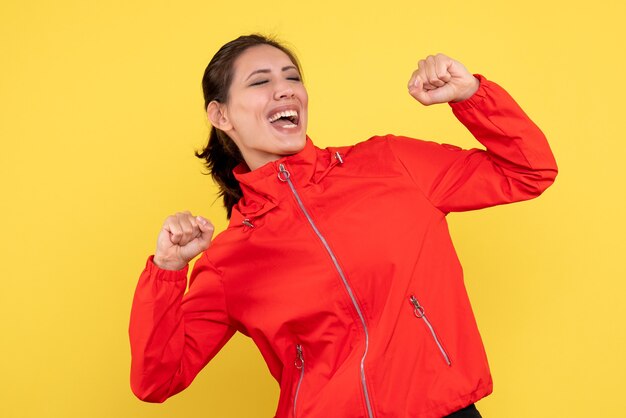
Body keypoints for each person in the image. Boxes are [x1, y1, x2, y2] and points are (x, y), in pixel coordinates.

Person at [129, 34, 558, 418]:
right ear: (221, 115)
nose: (284, 90)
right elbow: (157, 381)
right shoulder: (230, 259)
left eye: (292, 78)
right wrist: (167, 270)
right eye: (260, 81)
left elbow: (528, 170)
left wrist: (471, 97)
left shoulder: (391, 165)